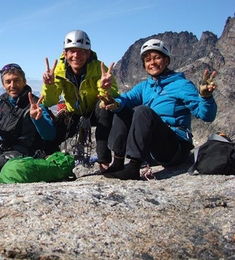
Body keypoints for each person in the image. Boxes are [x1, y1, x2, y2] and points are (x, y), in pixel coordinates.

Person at [99, 39, 218, 180]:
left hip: (174, 148)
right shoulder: (145, 86)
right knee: (121, 108)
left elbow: (206, 115)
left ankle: (133, 167)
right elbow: (127, 98)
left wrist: (206, 97)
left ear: (166, 61)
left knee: (143, 111)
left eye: (157, 58)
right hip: (153, 149)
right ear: (144, 65)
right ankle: (118, 162)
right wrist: (115, 102)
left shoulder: (181, 84)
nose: (152, 63)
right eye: (148, 60)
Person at [41, 29, 120, 171]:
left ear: (88, 53)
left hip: (95, 112)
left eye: (81, 51)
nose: (76, 55)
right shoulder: (58, 71)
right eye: (71, 51)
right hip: (74, 112)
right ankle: (50, 164)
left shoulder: (99, 68)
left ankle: (104, 162)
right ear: (65, 53)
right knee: (54, 134)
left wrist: (105, 88)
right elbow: (49, 102)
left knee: (103, 108)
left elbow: (109, 98)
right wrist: (49, 85)